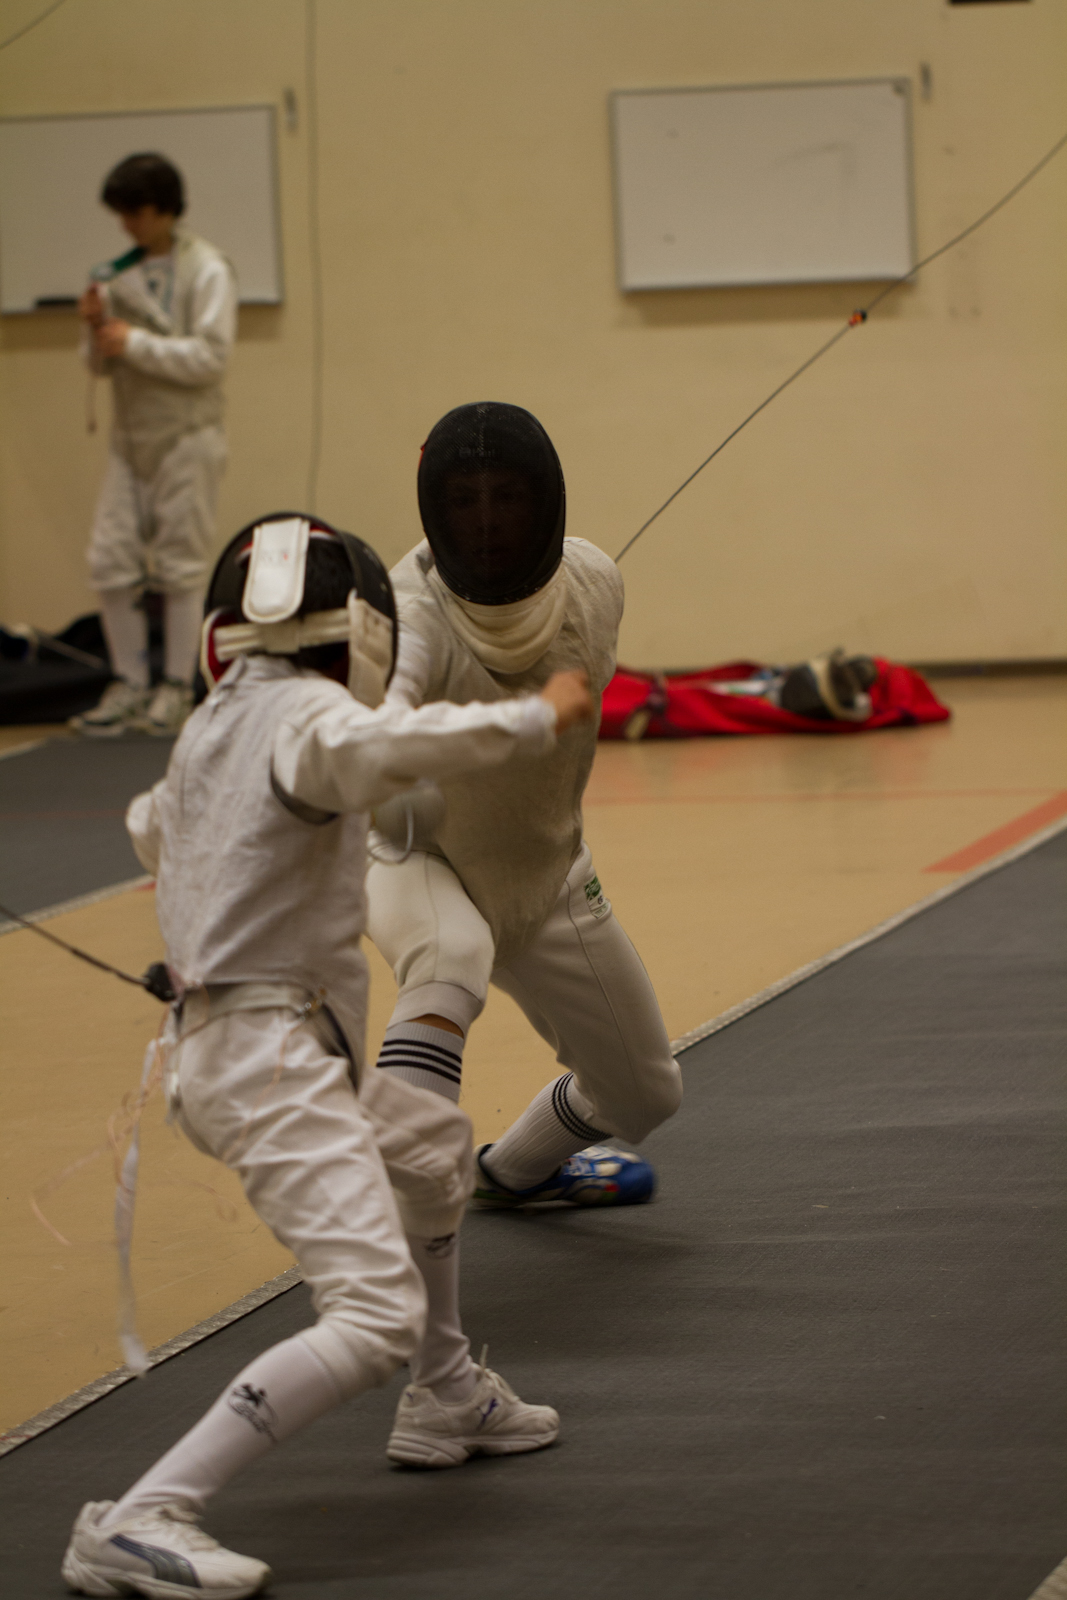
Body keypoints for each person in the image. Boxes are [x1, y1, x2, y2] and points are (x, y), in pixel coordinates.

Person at [62, 512, 592, 1599]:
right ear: (358, 627)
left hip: (247, 1048)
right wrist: (534, 715)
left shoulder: (212, 726)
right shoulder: (309, 719)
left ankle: (446, 1392)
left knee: (431, 1148)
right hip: (270, 1064)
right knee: (370, 1313)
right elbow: (378, 747)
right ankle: (140, 1517)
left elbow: (151, 829)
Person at [366, 401, 682, 1224]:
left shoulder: (595, 580)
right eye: (463, 501)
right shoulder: (405, 619)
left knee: (645, 1094)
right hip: (418, 855)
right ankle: (385, 1236)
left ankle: (511, 1174)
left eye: (506, 496)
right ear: (434, 512)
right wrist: (529, 716)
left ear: (544, 501)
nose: (486, 521)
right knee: (451, 955)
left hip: (544, 870)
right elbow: (383, 734)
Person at [70, 152, 236, 738]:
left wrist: (134, 342)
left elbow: (211, 358)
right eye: (121, 214)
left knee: (179, 566)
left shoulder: (208, 269)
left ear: (165, 208)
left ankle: (175, 688)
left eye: (136, 212)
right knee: (109, 561)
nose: (127, 225)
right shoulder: (115, 273)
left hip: (187, 438)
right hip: (129, 440)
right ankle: (130, 683)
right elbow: (97, 364)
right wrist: (94, 328)